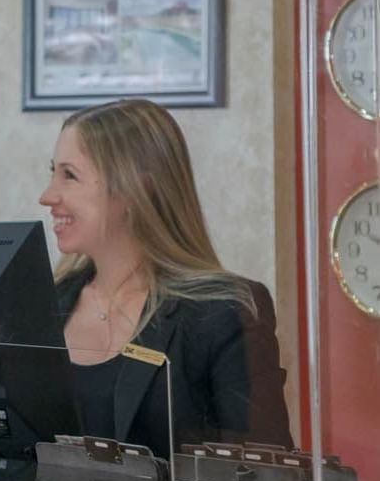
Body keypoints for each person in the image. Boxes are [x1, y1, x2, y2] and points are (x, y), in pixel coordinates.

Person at [38, 97, 292, 457]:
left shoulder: (223, 314)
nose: (47, 196)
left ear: (133, 189)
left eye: (69, 175)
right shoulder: (44, 306)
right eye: (53, 173)